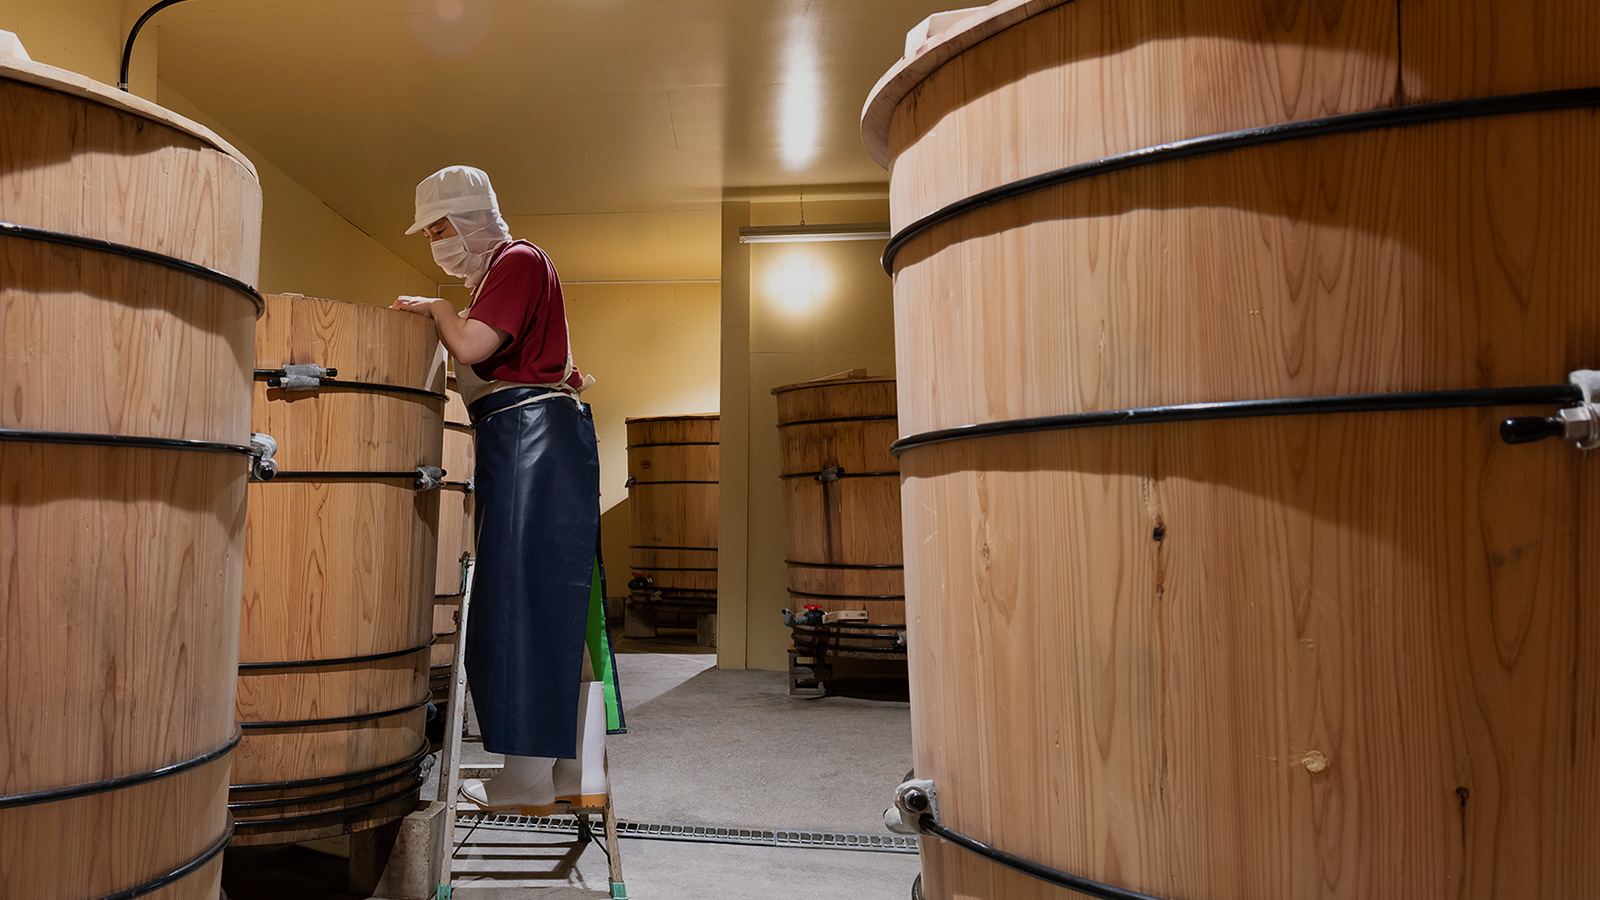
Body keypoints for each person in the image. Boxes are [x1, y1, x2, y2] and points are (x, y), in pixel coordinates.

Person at [393, 165, 610, 813]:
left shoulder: (516, 260)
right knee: (555, 607)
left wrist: (434, 310)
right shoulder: (505, 272)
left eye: (441, 228)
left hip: (527, 438)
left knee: (513, 604)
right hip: (536, 436)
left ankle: (523, 779)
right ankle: (574, 773)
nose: (436, 241)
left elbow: (472, 344)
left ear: (472, 220)